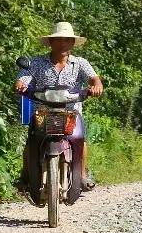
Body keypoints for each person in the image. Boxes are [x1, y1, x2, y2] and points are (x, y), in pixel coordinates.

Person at [14, 22, 103, 205]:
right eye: (58, 40)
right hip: (43, 112)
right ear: (51, 43)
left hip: (71, 113)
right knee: (31, 142)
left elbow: (94, 78)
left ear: (72, 43)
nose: (63, 43)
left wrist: (96, 86)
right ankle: (25, 175)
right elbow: (23, 77)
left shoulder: (80, 64)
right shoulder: (37, 63)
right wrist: (21, 84)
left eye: (67, 40)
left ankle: (83, 174)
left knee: (80, 140)